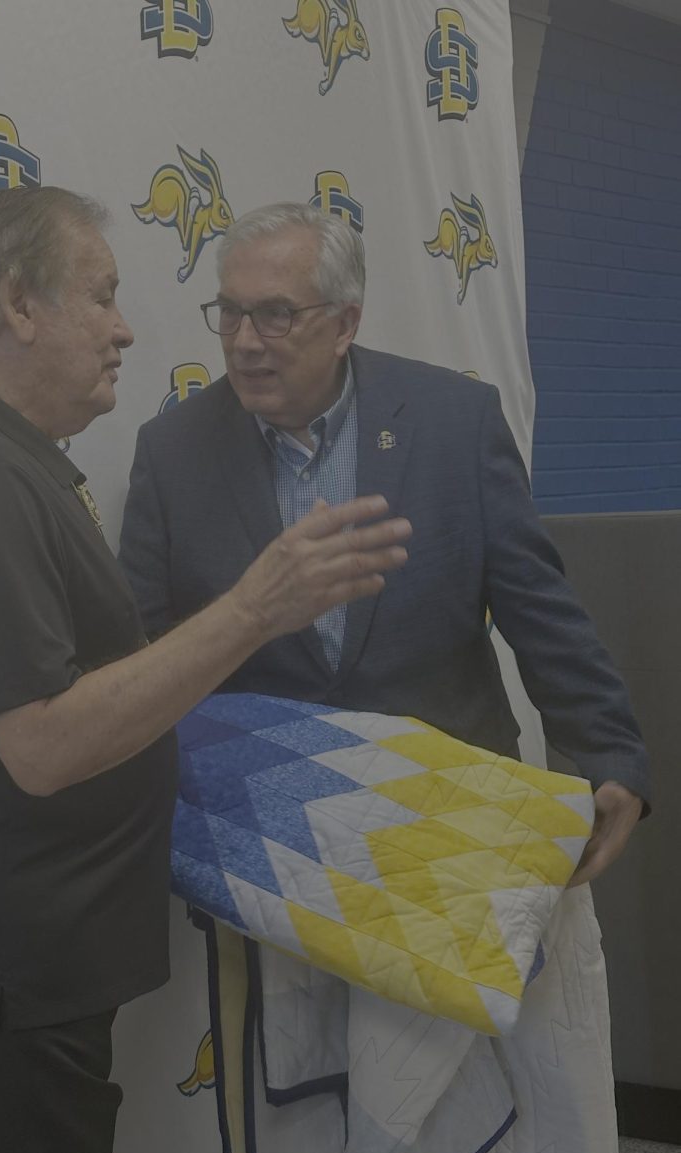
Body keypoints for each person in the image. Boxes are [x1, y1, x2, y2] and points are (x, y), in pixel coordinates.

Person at [0, 187, 412, 1153]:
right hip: (3, 981)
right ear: (19, 306)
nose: (124, 329)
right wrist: (253, 610)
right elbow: (46, 745)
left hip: (15, 974)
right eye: (101, 296)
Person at [118, 201, 649, 889]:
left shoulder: (453, 423)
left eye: (275, 314)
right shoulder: (173, 451)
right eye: (230, 311)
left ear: (344, 323)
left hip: (449, 828)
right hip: (272, 845)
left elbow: (543, 615)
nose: (244, 340)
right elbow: (138, 656)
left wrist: (612, 757)